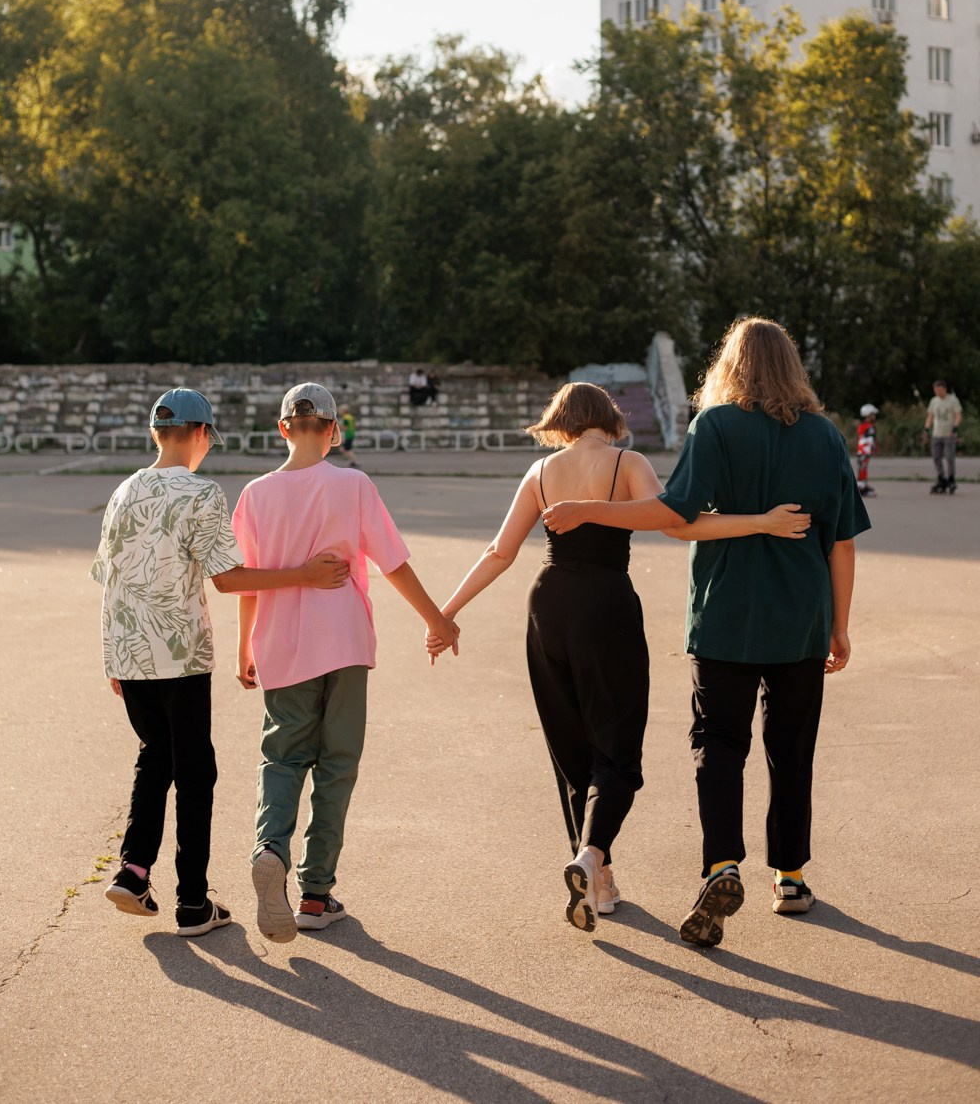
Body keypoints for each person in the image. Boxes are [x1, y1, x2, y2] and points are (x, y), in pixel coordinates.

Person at [429, 380, 810, 934]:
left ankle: (599, 881)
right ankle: (591, 858)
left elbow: (499, 552)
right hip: (606, 604)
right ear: (609, 419)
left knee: (571, 750)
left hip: (548, 605)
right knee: (617, 752)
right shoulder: (626, 462)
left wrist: (444, 614)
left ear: (560, 422)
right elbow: (676, 521)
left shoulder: (539, 472)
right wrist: (761, 522)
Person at [544, 318, 870, 949]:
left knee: (718, 745)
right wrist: (840, 626)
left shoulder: (715, 425)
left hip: (724, 617)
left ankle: (723, 865)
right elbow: (842, 543)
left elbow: (675, 514)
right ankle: (791, 878)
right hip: (800, 618)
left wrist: (589, 511)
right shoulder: (826, 437)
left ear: (730, 366)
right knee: (791, 747)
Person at [94, 387, 349, 939]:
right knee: (195, 774)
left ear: (155, 433)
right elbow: (229, 579)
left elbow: (108, 579)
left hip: (129, 652)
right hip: (180, 655)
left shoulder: (123, 490)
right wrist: (304, 575)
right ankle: (192, 903)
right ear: (201, 433)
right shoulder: (201, 492)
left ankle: (134, 871)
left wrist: (112, 656)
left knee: (154, 757)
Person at [233, 382, 460, 944]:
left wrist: (244, 646)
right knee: (337, 764)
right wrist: (437, 620)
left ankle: (270, 850)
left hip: (281, 644)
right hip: (345, 641)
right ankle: (315, 893)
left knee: (283, 756)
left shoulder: (255, 495)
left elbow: (248, 580)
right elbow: (393, 562)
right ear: (334, 431)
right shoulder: (353, 484)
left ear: (282, 428)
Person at [924, 380, 962, 495]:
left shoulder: (952, 400)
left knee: (949, 457)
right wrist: (926, 429)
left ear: (945, 389)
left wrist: (955, 428)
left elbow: (958, 415)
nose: (938, 393)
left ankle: (951, 478)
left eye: (940, 390)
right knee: (936, 457)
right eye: (936, 390)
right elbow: (930, 416)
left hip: (949, 434)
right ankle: (941, 477)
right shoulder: (934, 401)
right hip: (936, 433)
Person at [856, 404, 878, 498]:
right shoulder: (869, 427)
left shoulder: (862, 426)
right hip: (864, 452)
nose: (874, 416)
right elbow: (870, 440)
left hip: (862, 451)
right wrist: (874, 448)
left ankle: (862, 485)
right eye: (873, 414)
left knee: (863, 469)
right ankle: (861, 488)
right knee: (863, 469)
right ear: (868, 415)